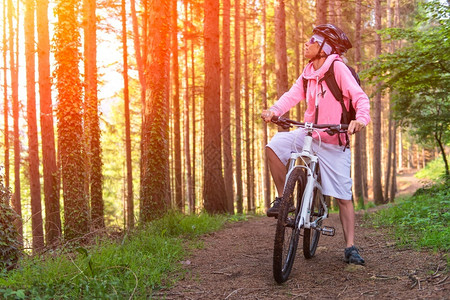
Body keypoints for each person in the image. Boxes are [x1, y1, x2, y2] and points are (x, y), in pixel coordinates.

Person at [261, 24, 370, 265]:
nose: (306, 43)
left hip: (333, 140)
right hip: (309, 134)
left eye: (312, 40)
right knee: (274, 147)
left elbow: (360, 97)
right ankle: (284, 200)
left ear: (325, 48)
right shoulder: (308, 71)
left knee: (343, 197)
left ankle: (350, 246)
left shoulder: (338, 69)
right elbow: (292, 95)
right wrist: (274, 110)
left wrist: (360, 120)